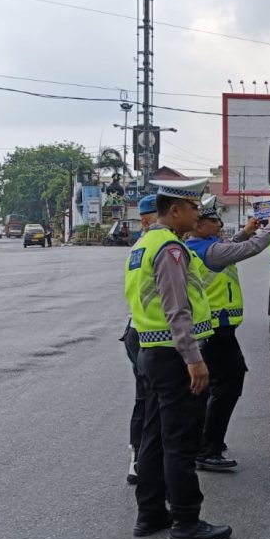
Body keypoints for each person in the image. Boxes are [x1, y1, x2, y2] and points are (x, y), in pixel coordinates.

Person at [123, 177, 232, 539]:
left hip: (150, 352)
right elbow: (177, 309)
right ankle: (186, 520)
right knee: (180, 440)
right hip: (173, 355)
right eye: (193, 209)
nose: (197, 215)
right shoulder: (170, 248)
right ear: (175, 211)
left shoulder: (143, 244)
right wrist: (194, 359)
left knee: (153, 438)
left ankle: (150, 513)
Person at [185, 197, 270, 471]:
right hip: (216, 330)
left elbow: (232, 245)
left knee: (215, 385)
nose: (219, 224)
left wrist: (248, 229)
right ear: (199, 225)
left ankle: (205, 440)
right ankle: (207, 449)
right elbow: (248, 249)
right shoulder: (209, 251)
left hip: (213, 329)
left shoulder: (202, 246)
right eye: (214, 221)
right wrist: (269, 228)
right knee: (227, 385)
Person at [120, 194, 160, 484]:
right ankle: (139, 457)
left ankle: (145, 456)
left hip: (142, 331)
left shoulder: (147, 246)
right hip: (146, 333)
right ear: (146, 220)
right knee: (147, 397)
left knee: (149, 397)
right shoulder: (152, 247)